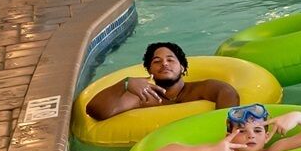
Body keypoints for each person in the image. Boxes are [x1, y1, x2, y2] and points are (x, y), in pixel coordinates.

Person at [84, 40, 238, 123]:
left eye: (170, 60)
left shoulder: (200, 89)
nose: (164, 64)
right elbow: (96, 111)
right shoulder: (144, 97)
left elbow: (226, 92)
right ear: (150, 71)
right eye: (157, 61)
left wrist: (225, 126)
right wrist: (125, 83)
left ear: (183, 68)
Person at [150, 102, 301, 151]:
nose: (250, 135)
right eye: (241, 131)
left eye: (258, 130)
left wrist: (298, 116)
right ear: (228, 135)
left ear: (267, 136)